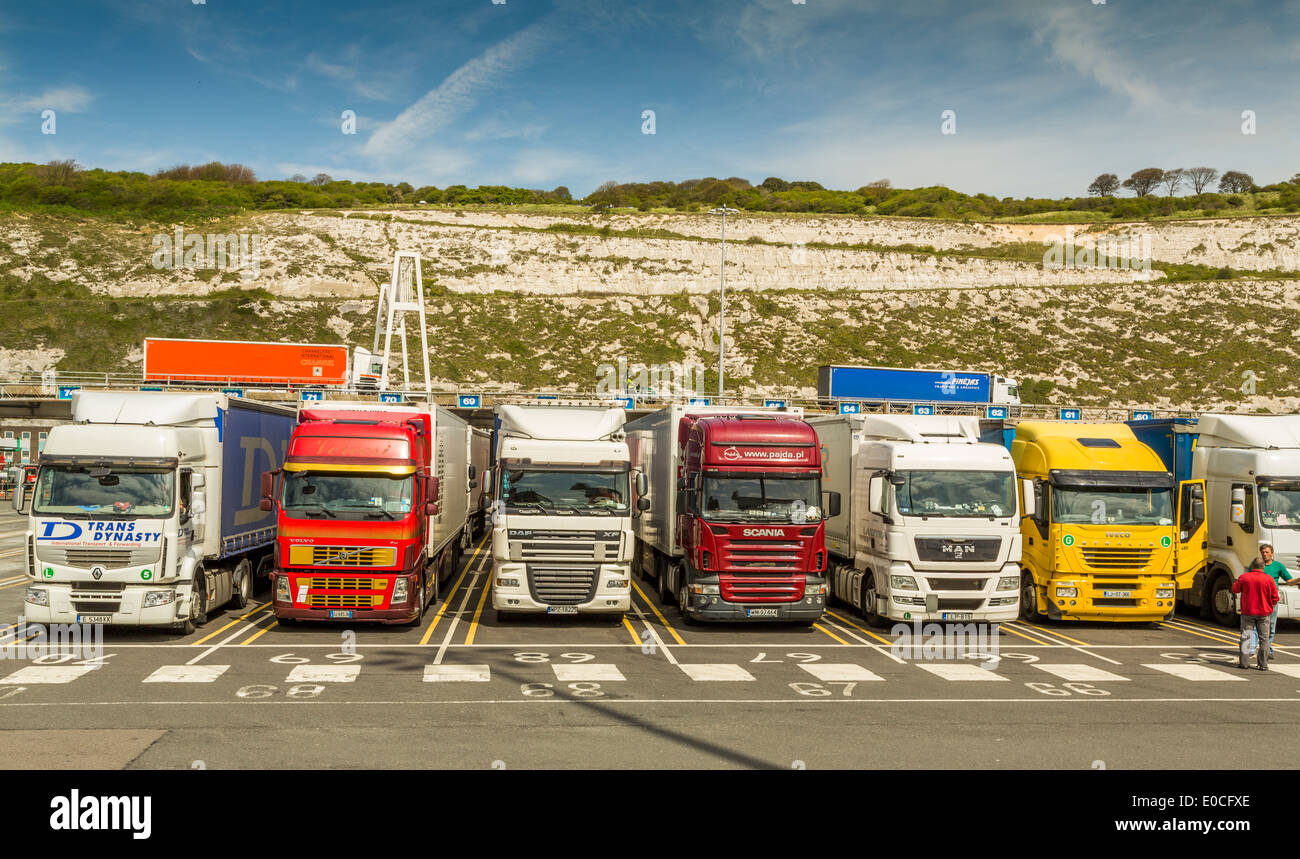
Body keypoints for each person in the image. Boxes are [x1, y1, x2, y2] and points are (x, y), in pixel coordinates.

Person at [1232, 557, 1280, 670]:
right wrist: (1270, 608)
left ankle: (1244, 663)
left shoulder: (1245, 577)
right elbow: (1275, 597)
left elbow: (1235, 589)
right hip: (1264, 613)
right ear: (1263, 567)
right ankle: (1263, 664)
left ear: (1252, 566)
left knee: (1246, 637)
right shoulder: (1269, 579)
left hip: (1248, 612)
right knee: (1264, 639)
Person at [1260, 541, 1293, 658]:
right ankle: (1257, 649)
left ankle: (1268, 650)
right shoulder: (1257, 565)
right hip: (1259, 599)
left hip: (1272, 600)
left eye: (1267, 552)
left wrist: (1298, 579)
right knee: (1257, 625)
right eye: (1263, 552)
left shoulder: (1278, 566)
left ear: (1272, 554)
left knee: (1271, 625)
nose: (1264, 554)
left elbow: (1289, 581)